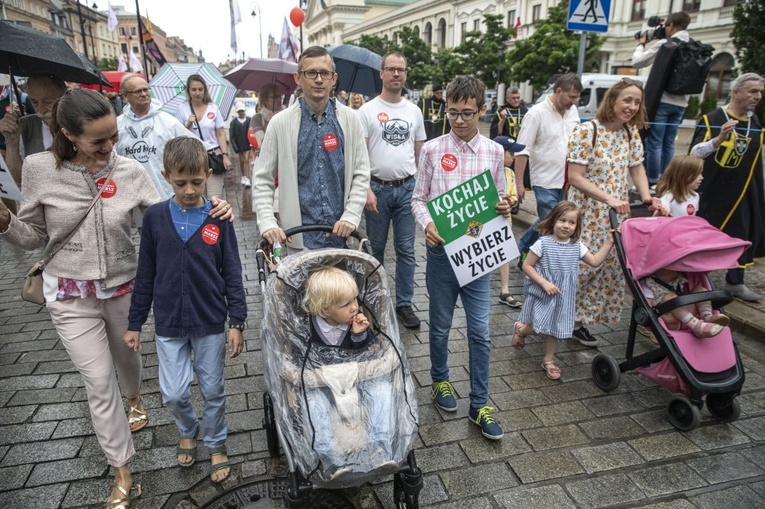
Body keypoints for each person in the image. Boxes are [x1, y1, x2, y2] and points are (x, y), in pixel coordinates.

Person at [0, 89, 154, 508]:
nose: (109, 149)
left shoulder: (131, 170)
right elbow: (33, 236)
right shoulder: (38, 168)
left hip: (123, 285)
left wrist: (208, 210)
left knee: (128, 363)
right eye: (98, 141)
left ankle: (136, 397)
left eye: (114, 137)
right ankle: (122, 470)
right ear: (68, 134)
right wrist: (6, 221)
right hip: (69, 293)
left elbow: (163, 219)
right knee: (99, 383)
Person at [123, 136, 246, 484]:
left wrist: (236, 320)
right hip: (169, 322)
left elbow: (232, 271)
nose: (190, 190)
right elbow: (145, 273)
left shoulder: (218, 217)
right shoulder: (156, 218)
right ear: (166, 176)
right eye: (180, 182)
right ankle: (188, 427)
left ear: (207, 174)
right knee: (174, 393)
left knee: (212, 389)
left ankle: (217, 442)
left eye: (196, 181)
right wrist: (135, 322)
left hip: (209, 320)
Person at [412, 75, 512, 441]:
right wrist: (426, 225)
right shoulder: (432, 150)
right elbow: (417, 199)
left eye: (467, 113)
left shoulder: (495, 152)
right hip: (441, 255)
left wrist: (505, 205)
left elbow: (500, 199)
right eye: (452, 112)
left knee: (480, 332)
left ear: (482, 110)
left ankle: (480, 403)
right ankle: (440, 380)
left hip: (477, 254)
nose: (458, 120)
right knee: (439, 326)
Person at [567, 78, 663, 347]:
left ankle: (577, 322)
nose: (632, 106)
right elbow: (575, 177)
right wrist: (608, 197)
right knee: (582, 267)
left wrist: (646, 196)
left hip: (614, 213)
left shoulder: (631, 134)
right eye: (627, 100)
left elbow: (637, 168)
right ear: (612, 101)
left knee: (606, 268)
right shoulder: (587, 132)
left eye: (637, 101)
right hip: (585, 213)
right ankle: (557, 314)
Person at [253, 45, 370, 251]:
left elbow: (361, 173)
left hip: (341, 237)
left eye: (324, 73)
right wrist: (267, 221)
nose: (318, 79)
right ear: (298, 78)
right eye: (311, 73)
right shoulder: (280, 123)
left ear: (333, 79)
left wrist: (351, 215)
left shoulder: (350, 119)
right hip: (298, 238)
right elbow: (262, 178)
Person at [299, 266, 395, 478]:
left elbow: (368, 355)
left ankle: (380, 446)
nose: (355, 307)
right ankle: (327, 457)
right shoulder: (306, 330)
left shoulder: (357, 323)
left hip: (355, 380)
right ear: (325, 310)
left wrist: (359, 336)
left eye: (355, 299)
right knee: (312, 403)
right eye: (346, 304)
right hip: (322, 385)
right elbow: (298, 359)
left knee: (382, 389)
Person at [358, 51, 426, 330]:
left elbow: (420, 152)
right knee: (376, 250)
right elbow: (360, 154)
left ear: (405, 74)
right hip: (377, 189)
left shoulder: (414, 111)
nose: (396, 74)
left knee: (406, 249)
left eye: (401, 69)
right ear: (381, 73)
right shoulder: (366, 111)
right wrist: (365, 189)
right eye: (391, 69)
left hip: (407, 188)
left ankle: (404, 303)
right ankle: (376, 301)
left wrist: (422, 187)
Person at [512, 201, 615, 379]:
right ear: (553, 221)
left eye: (571, 222)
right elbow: (527, 266)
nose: (566, 225)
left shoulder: (577, 246)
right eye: (562, 220)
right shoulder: (542, 243)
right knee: (538, 327)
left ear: (576, 226)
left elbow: (596, 261)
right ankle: (521, 331)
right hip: (543, 292)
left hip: (563, 295)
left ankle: (548, 360)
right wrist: (544, 283)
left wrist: (609, 243)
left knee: (555, 328)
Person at [690, 72, 765, 302]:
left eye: (760, 92)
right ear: (736, 92)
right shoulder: (712, 118)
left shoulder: (755, 122)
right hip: (713, 190)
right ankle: (696, 283)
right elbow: (693, 153)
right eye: (753, 91)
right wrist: (717, 139)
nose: (758, 96)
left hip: (744, 190)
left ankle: (735, 282)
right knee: (705, 236)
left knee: (741, 234)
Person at [514, 74, 583, 265]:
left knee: (549, 220)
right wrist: (518, 184)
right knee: (554, 222)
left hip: (567, 180)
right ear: (558, 91)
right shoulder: (536, 113)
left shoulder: (573, 111)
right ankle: (536, 258)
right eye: (571, 96)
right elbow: (522, 151)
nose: (573, 101)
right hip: (544, 180)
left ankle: (525, 248)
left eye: (576, 97)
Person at [632, 12, 692, 186]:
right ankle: (668, 180)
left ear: (671, 26)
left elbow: (638, 62)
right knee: (669, 143)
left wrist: (641, 45)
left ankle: (653, 181)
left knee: (655, 142)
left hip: (663, 101)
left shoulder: (667, 44)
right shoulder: (693, 46)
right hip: (681, 104)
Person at [116, 74, 195, 200]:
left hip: (165, 192)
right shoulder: (118, 126)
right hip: (131, 195)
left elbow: (192, 149)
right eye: (138, 91)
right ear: (125, 96)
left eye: (146, 89)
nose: (144, 94)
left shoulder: (168, 121)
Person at [0, 74, 67, 187]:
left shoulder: (78, 125)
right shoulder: (23, 125)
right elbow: (17, 180)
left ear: (64, 97)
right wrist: (11, 142)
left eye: (47, 102)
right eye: (34, 102)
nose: (40, 109)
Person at [176, 74, 232, 199]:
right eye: (194, 89)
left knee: (214, 197)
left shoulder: (213, 108)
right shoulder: (182, 109)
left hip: (212, 155)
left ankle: (213, 218)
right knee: (195, 195)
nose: (197, 93)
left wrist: (225, 155)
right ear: (188, 91)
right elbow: (178, 136)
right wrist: (188, 124)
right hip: (191, 156)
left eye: (201, 89)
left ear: (205, 90)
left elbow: (220, 133)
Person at [639, 268, 729, 338]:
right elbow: (649, 307)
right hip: (668, 319)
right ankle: (697, 326)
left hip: (687, 315)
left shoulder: (678, 279)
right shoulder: (648, 283)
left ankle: (706, 316)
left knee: (700, 289)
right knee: (670, 298)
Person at [492, 135, 523, 308]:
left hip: (505, 220)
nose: (513, 157)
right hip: (488, 223)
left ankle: (505, 291)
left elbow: (513, 197)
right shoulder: (486, 170)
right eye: (510, 153)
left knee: (504, 255)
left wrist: (510, 201)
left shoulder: (510, 173)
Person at [229, 101, 252, 188]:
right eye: (239, 111)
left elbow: (252, 132)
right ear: (237, 112)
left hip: (248, 144)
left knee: (246, 161)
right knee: (242, 161)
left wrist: (252, 143)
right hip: (239, 144)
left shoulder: (249, 120)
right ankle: (243, 176)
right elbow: (232, 136)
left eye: (242, 110)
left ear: (244, 110)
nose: (241, 112)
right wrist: (235, 147)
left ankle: (247, 178)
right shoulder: (234, 122)